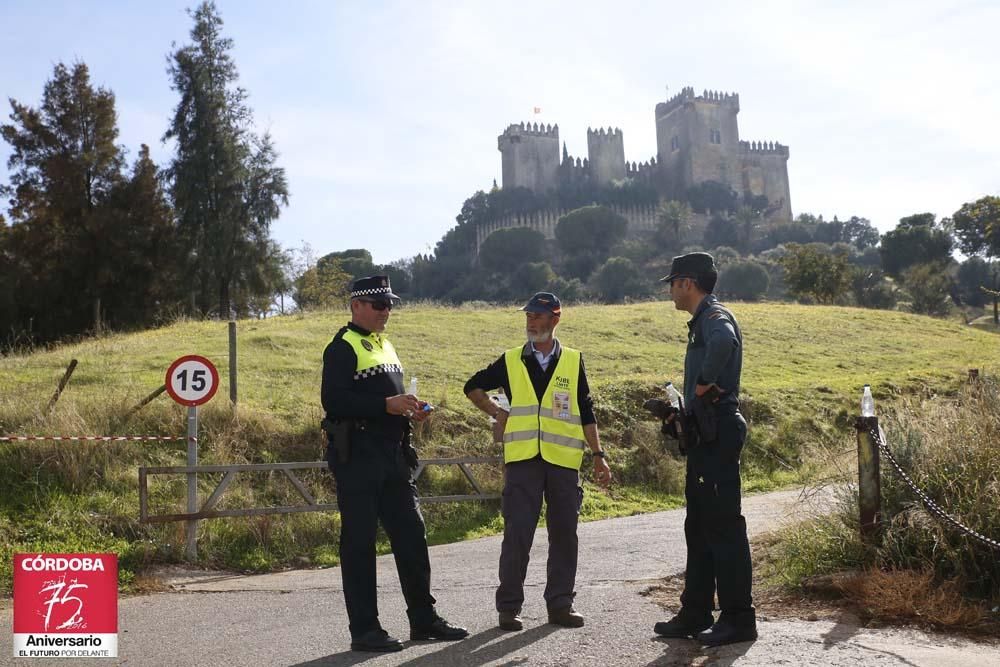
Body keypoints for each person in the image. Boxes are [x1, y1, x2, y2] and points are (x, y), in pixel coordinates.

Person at [321, 275, 468, 653]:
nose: (387, 311)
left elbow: (389, 400)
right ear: (356, 306)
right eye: (379, 305)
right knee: (359, 543)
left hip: (392, 453)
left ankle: (423, 619)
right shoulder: (342, 347)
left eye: (390, 304)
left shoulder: (385, 344)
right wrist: (386, 406)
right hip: (357, 456)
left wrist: (408, 411)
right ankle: (365, 630)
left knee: (412, 536)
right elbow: (333, 400)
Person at [464, 292, 612, 632]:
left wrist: (598, 455)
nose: (531, 321)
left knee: (565, 535)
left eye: (538, 316)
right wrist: (497, 412)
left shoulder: (574, 361)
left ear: (555, 320)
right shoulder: (512, 359)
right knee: (517, 534)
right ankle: (509, 608)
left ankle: (561, 605)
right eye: (528, 315)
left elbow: (586, 411)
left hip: (563, 463)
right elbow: (472, 387)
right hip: (523, 461)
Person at [649, 252, 757, 647]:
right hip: (704, 435)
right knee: (698, 526)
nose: (671, 292)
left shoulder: (714, 318)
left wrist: (704, 383)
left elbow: (725, 344)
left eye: (673, 283)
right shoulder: (702, 322)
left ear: (687, 283)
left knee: (723, 526)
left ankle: (738, 618)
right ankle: (695, 611)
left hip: (718, 431)